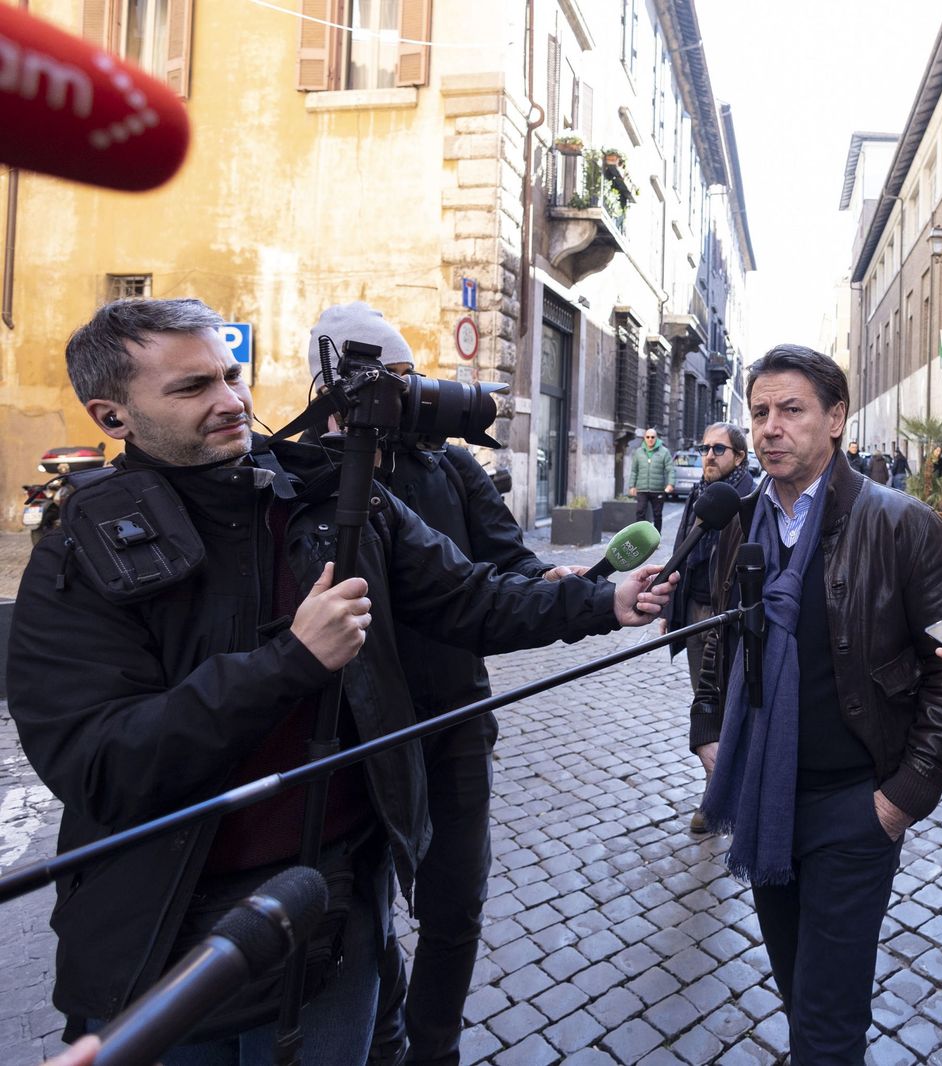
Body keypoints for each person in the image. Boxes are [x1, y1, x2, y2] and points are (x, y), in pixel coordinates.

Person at [8, 299, 675, 1065]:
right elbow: (97, 763)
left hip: (327, 905)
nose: (231, 401)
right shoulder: (76, 554)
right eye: (192, 389)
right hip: (159, 925)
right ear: (112, 414)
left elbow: (473, 598)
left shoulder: (329, 497)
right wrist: (288, 662)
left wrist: (602, 599)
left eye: (231, 375)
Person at [689, 344, 942, 1062]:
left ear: (836, 418)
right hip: (764, 795)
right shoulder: (739, 519)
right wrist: (706, 728)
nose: (770, 429)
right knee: (797, 989)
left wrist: (904, 795)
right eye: (760, 413)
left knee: (826, 1019)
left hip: (854, 806)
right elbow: (718, 634)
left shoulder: (903, 524)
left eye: (791, 410)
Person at [306, 303, 573, 1066]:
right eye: (384, 380)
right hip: (356, 738)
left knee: (455, 907)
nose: (405, 392)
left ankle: (436, 1051)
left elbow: (508, 563)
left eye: (405, 375)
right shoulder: (301, 478)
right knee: (362, 916)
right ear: (334, 386)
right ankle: (384, 1038)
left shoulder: (451, 466)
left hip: (454, 722)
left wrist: (545, 585)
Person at [663, 421, 755, 834]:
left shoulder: (748, 497)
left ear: (738, 456)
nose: (708, 457)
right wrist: (671, 606)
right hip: (694, 612)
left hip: (729, 620)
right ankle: (716, 790)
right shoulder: (702, 495)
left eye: (718, 450)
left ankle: (719, 799)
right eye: (704, 449)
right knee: (705, 705)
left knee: (727, 707)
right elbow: (683, 546)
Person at [628, 427, 674, 531]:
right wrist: (632, 486)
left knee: (657, 515)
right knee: (640, 513)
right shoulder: (638, 452)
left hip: (657, 489)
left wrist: (670, 484)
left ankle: (656, 537)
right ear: (644, 438)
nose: (650, 439)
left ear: (656, 438)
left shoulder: (664, 452)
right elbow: (634, 470)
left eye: (652, 437)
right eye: (647, 437)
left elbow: (670, 469)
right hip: (642, 489)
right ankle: (639, 536)